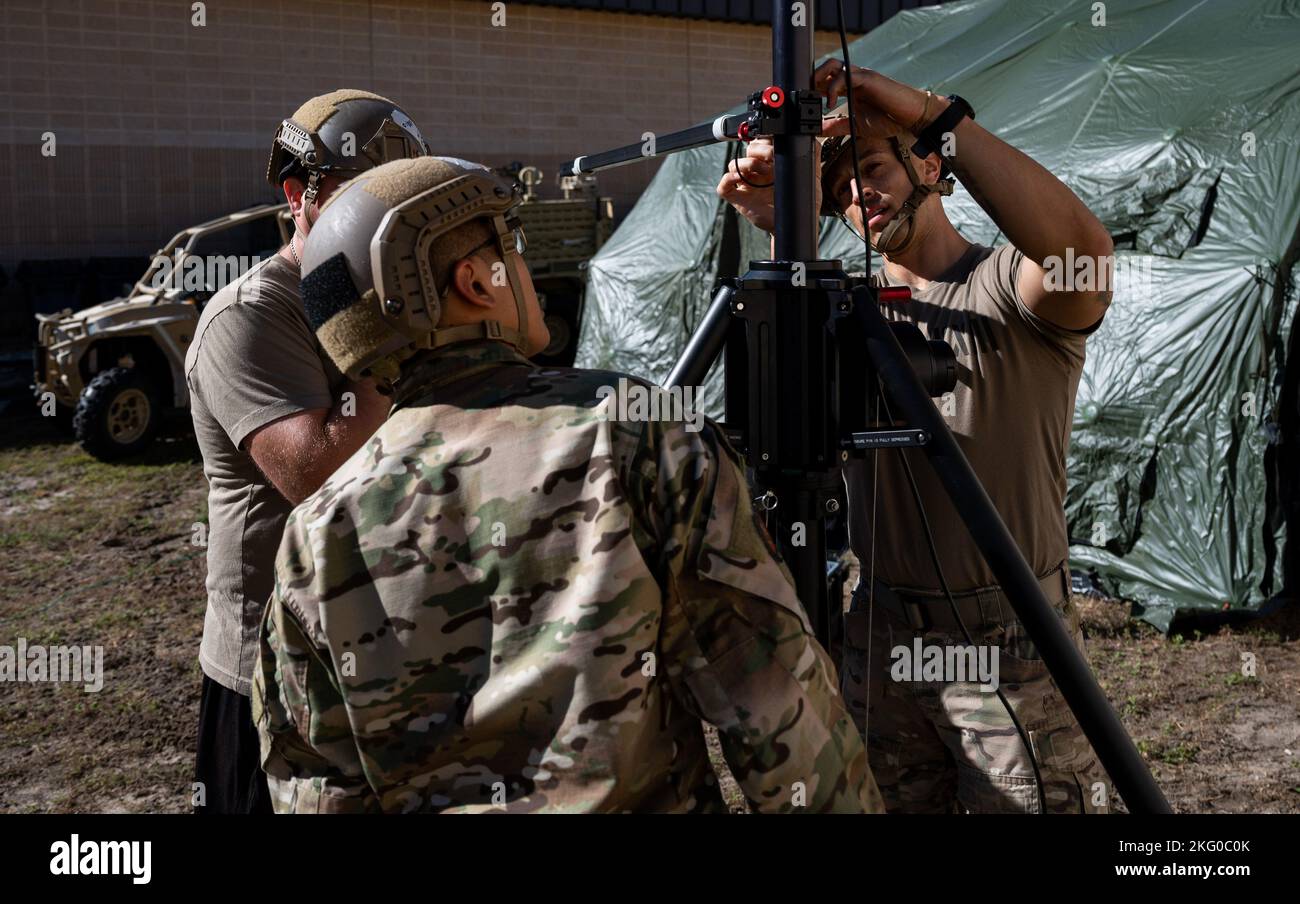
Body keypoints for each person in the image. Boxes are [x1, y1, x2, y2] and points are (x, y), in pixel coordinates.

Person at [252, 155, 880, 813]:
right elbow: (777, 701)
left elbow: (317, 791)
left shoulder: (317, 531)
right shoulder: (633, 431)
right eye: (511, 248)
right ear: (473, 282)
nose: (525, 266)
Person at [718, 60, 1113, 814]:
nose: (859, 194)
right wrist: (775, 198)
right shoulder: (849, 310)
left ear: (931, 166)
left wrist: (935, 115)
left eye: (871, 168)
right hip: (883, 629)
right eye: (841, 193)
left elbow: (1084, 255)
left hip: (1007, 637)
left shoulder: (1009, 288)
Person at [185, 90, 429, 813]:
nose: (385, 223)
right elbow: (317, 473)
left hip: (392, 658)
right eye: (363, 200)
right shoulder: (251, 316)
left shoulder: (404, 295)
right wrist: (380, 331)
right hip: (273, 676)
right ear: (300, 195)